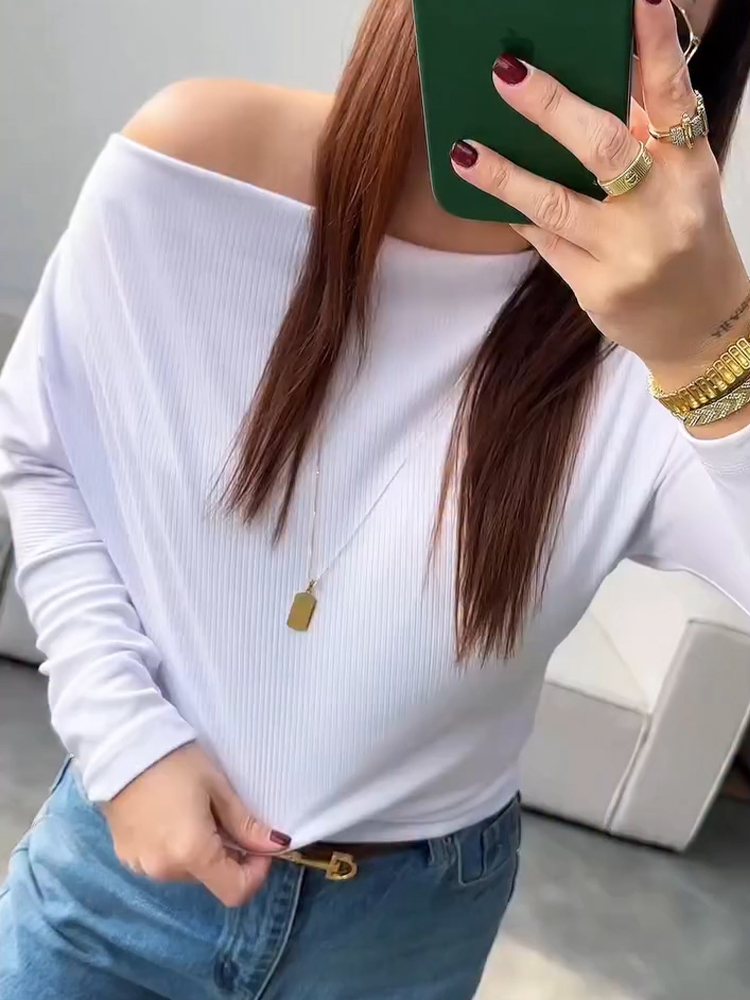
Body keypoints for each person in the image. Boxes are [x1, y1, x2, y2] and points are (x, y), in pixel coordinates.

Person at [1, 0, 750, 996]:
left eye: (649, 19)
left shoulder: (668, 345)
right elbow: (45, 455)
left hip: (407, 932)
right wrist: (122, 738)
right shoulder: (192, 166)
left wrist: (712, 354)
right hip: (120, 876)